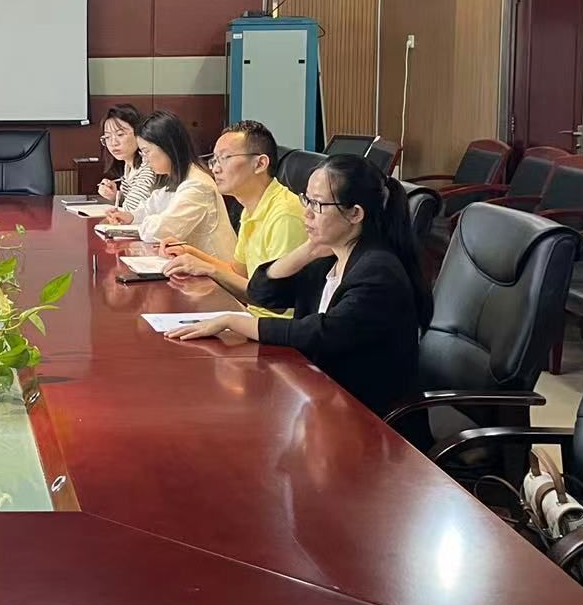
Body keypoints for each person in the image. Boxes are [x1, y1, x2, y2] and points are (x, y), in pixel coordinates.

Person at [165, 155, 432, 417]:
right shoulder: (330, 256)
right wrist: (308, 250)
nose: (307, 212)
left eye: (317, 204)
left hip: (367, 418)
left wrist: (233, 321)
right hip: (322, 398)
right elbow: (262, 293)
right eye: (306, 199)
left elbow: (321, 333)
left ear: (355, 213)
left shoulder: (378, 270)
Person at [162, 120, 306, 315]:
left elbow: (275, 301)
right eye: (214, 160)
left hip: (275, 327)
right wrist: (189, 252)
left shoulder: (285, 215)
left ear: (260, 164)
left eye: (225, 158)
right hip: (250, 316)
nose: (215, 168)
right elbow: (238, 273)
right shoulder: (252, 207)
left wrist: (209, 269)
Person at [104, 110, 235, 261]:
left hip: (216, 269)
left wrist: (145, 222)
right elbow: (151, 206)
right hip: (193, 264)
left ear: (167, 147)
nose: (145, 159)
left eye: (146, 152)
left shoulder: (197, 185)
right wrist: (130, 217)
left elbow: (162, 231)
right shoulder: (177, 178)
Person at [94, 103, 156, 210]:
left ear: (139, 133)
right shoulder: (128, 165)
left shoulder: (148, 165)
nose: (113, 143)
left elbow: (132, 210)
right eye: (107, 137)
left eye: (120, 134)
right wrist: (115, 196)